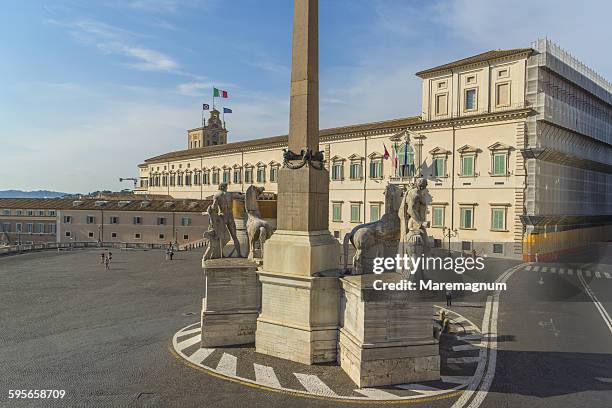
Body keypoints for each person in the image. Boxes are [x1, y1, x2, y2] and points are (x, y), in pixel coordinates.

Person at [210, 182, 242, 256]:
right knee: (235, 237)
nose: (227, 188)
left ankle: (221, 254)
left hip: (222, 217)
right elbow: (241, 197)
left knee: (221, 237)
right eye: (226, 187)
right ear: (224, 187)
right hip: (230, 217)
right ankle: (239, 254)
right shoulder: (230, 195)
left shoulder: (217, 196)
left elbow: (214, 207)